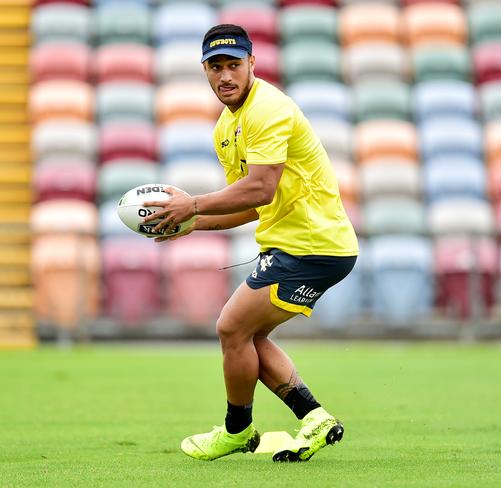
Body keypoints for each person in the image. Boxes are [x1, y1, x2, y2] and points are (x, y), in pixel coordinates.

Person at [143, 24, 359, 462]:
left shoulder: (268, 109)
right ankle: (314, 418)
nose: (225, 75)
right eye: (215, 66)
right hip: (294, 245)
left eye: (234, 65)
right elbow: (253, 206)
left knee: (230, 328)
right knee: (247, 334)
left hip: (313, 245)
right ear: (204, 70)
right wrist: (190, 223)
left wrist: (193, 204)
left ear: (252, 64)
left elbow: (260, 188)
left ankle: (237, 431)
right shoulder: (225, 127)